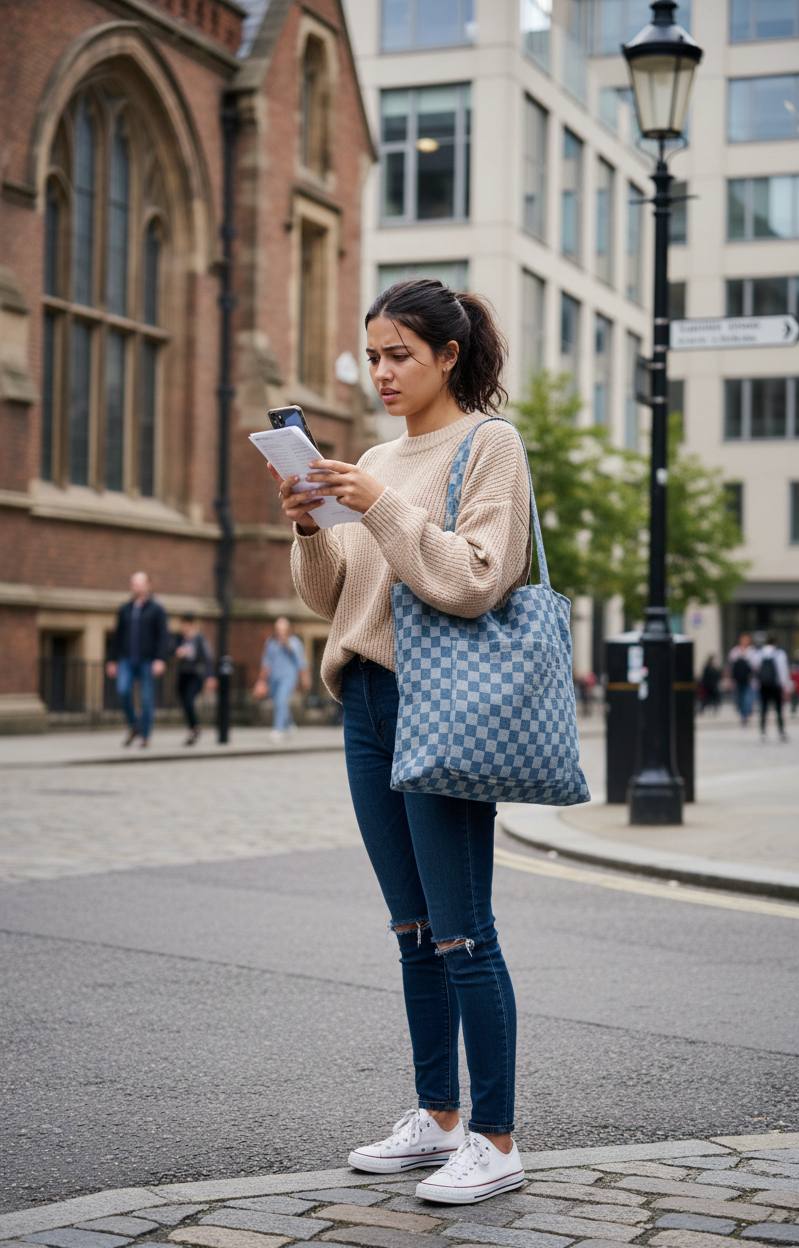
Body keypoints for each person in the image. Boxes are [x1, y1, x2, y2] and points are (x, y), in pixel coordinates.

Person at [270, 278, 531, 1204]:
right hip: (368, 706)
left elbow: (474, 580)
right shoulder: (378, 456)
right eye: (374, 355)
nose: (381, 372)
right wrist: (310, 525)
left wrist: (379, 504)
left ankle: (496, 1140)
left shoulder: (489, 445)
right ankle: (439, 1118)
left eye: (400, 356)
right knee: (413, 930)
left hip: (443, 702)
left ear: (448, 357)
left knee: (463, 930)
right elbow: (332, 597)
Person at [106, 572, 169, 747]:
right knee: (122, 691)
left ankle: (145, 735)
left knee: (146, 699)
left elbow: (163, 636)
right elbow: (118, 636)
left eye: (140, 584)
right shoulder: (125, 609)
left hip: (148, 660)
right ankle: (134, 724)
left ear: (148, 586)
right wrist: (112, 660)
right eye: (134, 585)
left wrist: (160, 659)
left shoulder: (157, 609)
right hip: (127, 659)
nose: (137, 588)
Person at [255, 617, 311, 741]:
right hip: (273, 677)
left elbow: (301, 662)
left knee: (281, 700)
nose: (281, 632)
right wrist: (261, 680)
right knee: (278, 702)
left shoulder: (294, 642)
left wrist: (305, 678)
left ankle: (278, 729)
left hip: (288, 677)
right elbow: (266, 662)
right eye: (278, 629)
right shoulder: (271, 643)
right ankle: (289, 724)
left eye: (283, 629)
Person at [174, 614, 216, 745]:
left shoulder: (199, 640)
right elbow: (169, 648)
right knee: (184, 701)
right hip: (183, 674)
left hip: (195, 675)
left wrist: (210, 676)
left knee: (189, 699)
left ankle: (194, 728)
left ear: (191, 625)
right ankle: (193, 727)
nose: (183, 627)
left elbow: (207, 658)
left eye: (185, 625)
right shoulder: (179, 639)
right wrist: (176, 651)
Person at [752, 631, 791, 741]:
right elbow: (783, 671)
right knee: (778, 709)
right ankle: (781, 731)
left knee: (763, 709)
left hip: (763, 685)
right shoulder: (779, 653)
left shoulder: (759, 653)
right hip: (775, 685)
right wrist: (785, 686)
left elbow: (755, 668)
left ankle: (763, 731)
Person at [727, 632, 756, 725]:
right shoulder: (735, 651)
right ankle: (742, 713)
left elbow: (756, 665)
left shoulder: (752, 651)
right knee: (739, 699)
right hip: (738, 680)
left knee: (748, 698)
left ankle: (746, 714)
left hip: (749, 680)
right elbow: (731, 666)